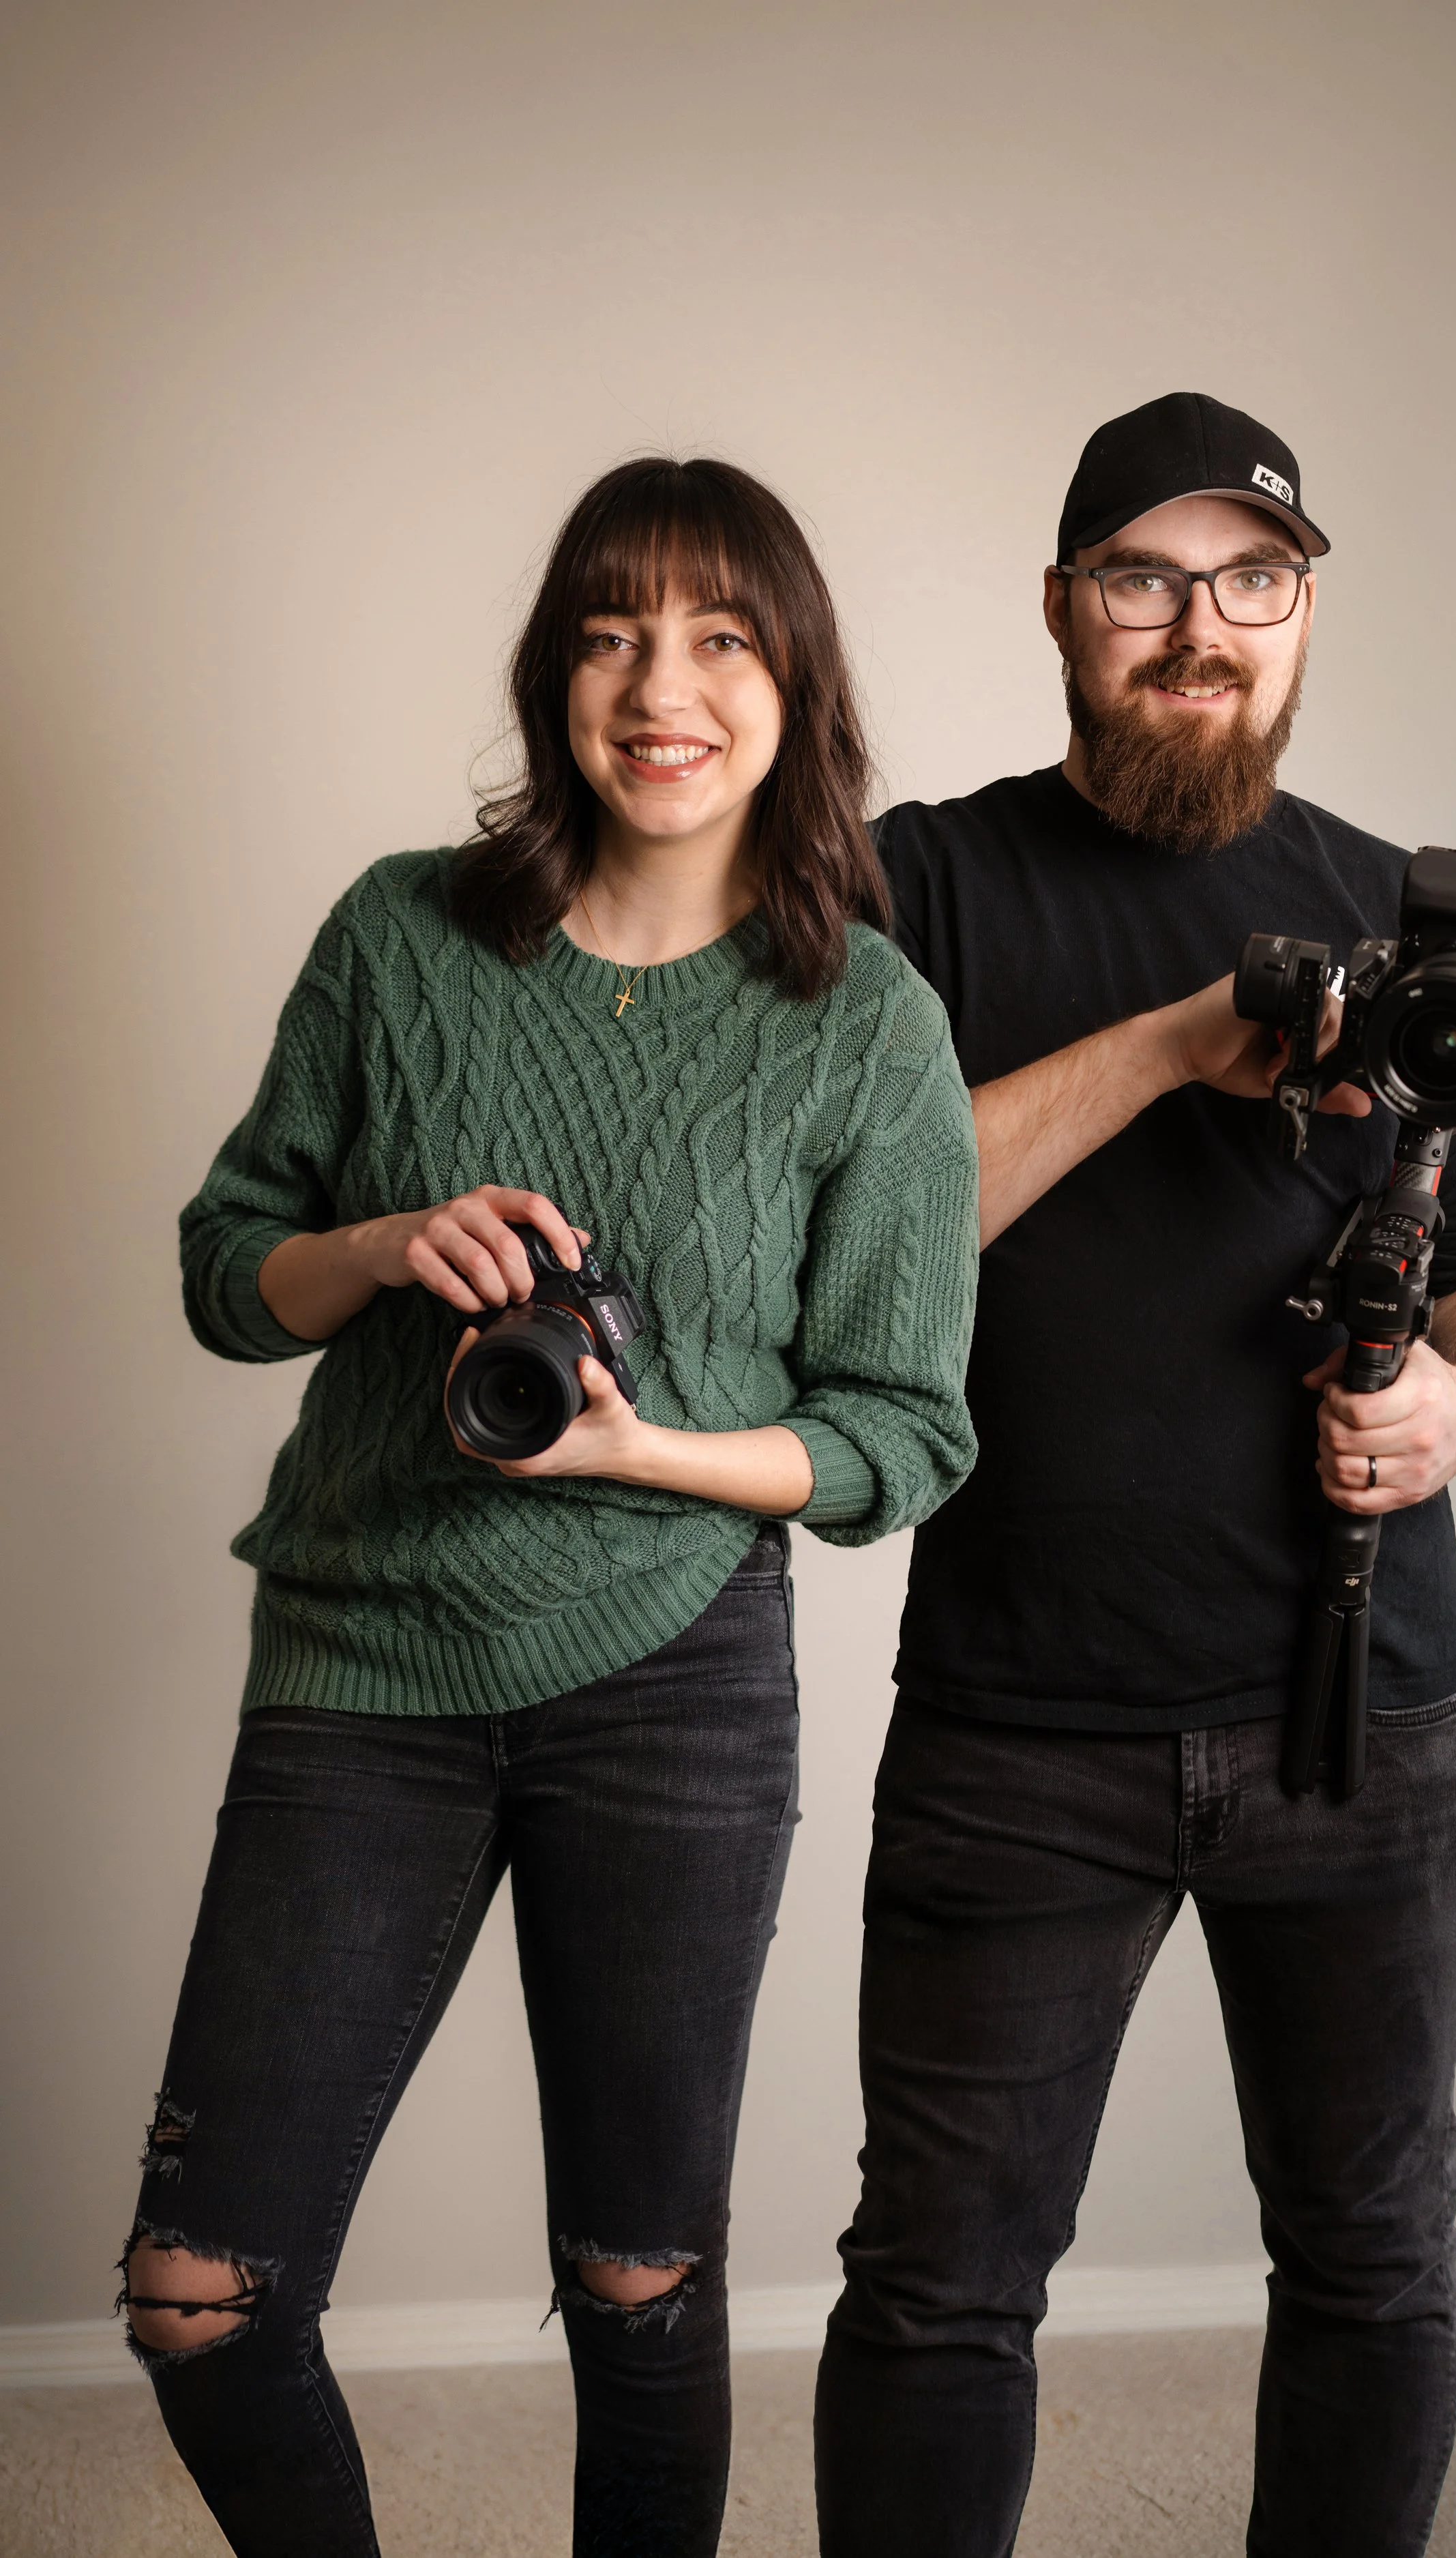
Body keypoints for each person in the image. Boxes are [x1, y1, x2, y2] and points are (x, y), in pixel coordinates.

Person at [118, 456, 980, 2558]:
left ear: (794, 684)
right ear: (551, 675)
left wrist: (636, 1449)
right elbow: (227, 1268)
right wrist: (381, 1242)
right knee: (201, 2295)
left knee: (637, 2280)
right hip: (363, 1653)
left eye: (717, 638)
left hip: (676, 1679)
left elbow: (898, 1434)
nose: (659, 688)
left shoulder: (864, 1024)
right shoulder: (398, 934)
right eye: (610, 635)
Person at [814, 392, 1456, 2558]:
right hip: (1018, 1719)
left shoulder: (1405, 913)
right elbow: (846, 1229)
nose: (1197, 624)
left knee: (1369, 2254)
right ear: (1062, 606)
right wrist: (1165, 1047)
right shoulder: (916, 889)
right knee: (940, 2284)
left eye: (1250, 578)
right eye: (1143, 576)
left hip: (1367, 1710)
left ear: (1302, 609)